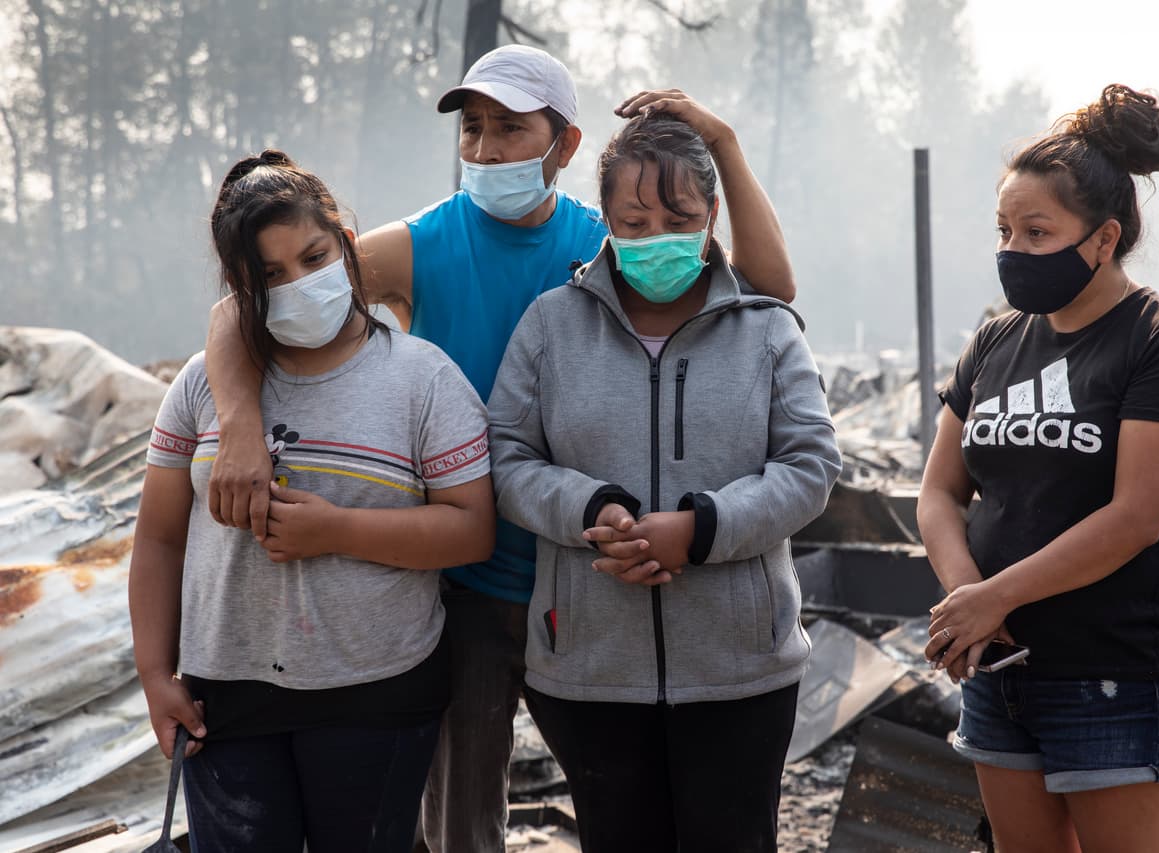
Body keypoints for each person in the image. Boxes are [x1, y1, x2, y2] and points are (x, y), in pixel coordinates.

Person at [200, 45, 799, 853]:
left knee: (622, 802)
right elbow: (244, 305)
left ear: (565, 145)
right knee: (462, 812)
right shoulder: (421, 243)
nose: (486, 150)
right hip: (464, 579)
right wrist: (238, 426)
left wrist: (721, 142)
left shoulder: (613, 241)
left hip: (593, 575)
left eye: (511, 130)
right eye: (473, 130)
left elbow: (768, 288)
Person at [486, 110, 841, 853]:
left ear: (713, 214)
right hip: (588, 669)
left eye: (679, 217)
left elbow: (811, 465)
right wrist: (591, 508)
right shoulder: (552, 325)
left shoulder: (767, 328)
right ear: (606, 221)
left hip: (742, 673)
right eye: (633, 221)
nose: (655, 238)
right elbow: (507, 455)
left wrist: (701, 530)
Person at [128, 150, 496, 852]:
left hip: (378, 691)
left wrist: (335, 530)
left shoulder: (424, 380)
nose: (298, 283)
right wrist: (155, 671)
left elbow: (472, 529)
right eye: (270, 275)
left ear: (348, 247)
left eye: (313, 256)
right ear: (241, 289)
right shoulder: (203, 384)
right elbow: (160, 537)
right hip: (223, 694)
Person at [918, 84, 1159, 853]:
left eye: (1036, 231)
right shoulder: (995, 340)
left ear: (1103, 237)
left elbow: (1135, 519)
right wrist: (969, 603)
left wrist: (995, 598)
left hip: (1112, 676)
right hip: (997, 672)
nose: (1012, 252)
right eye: (1003, 231)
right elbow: (939, 490)